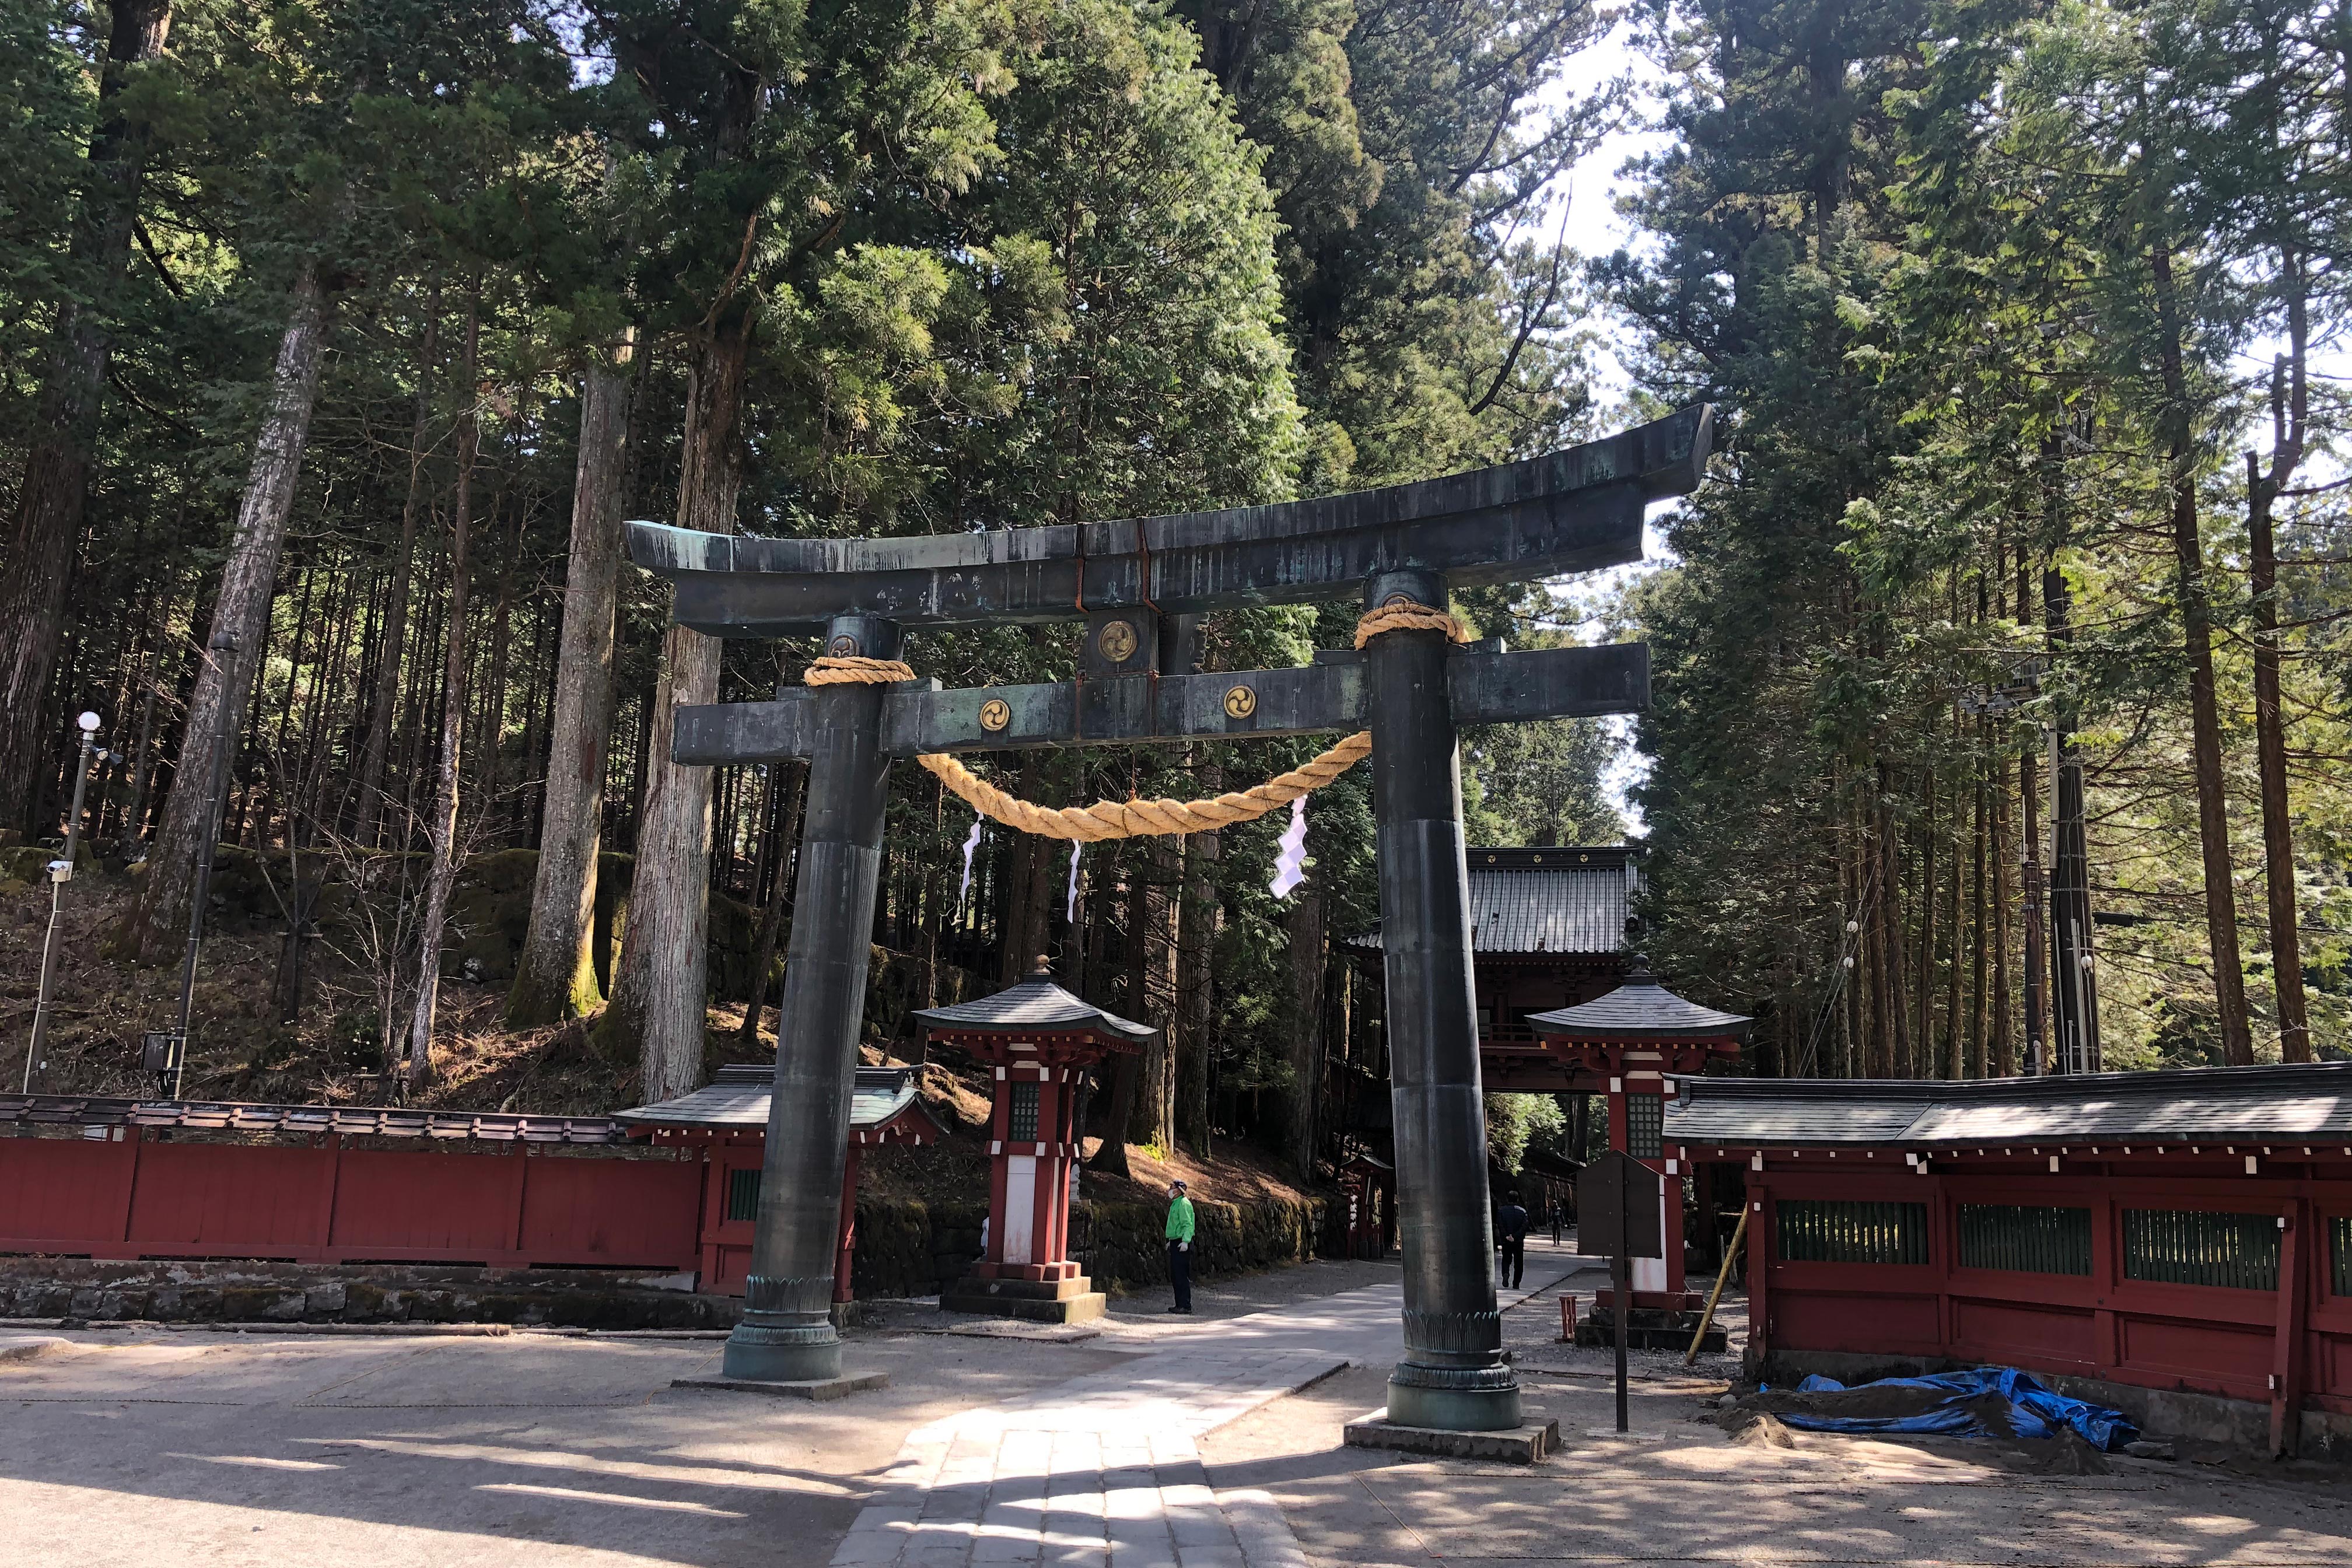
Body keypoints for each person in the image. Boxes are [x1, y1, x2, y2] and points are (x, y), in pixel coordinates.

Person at [1164, 1179, 1195, 1314]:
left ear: (1178, 1190)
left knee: (1182, 1275)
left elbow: (1187, 1224)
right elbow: (1176, 1225)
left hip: (1182, 1242)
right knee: (1176, 1275)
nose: (1169, 1189)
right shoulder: (1176, 1204)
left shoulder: (1183, 1204)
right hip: (1176, 1241)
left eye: (1172, 1187)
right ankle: (1179, 1304)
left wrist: (1186, 1241)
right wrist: (1172, 1241)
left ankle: (1185, 1305)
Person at [1496, 1189, 1529, 1290]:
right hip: (1518, 1241)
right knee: (1519, 1262)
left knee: (1506, 1258)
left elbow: (1500, 1225)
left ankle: (1506, 1273)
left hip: (1506, 1240)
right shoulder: (1523, 1212)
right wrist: (1515, 1236)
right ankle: (1516, 1283)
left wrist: (1506, 1235)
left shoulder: (1501, 1211)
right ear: (1517, 1199)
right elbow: (1524, 1226)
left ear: (1507, 1199)